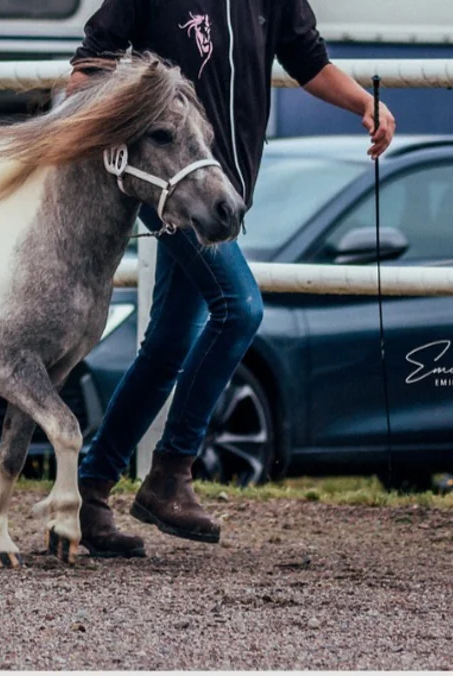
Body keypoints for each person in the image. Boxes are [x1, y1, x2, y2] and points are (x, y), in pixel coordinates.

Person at [69, 0, 396, 557]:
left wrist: (364, 103)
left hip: (225, 195)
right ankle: (171, 471)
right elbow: (88, 67)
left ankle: (90, 492)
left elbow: (308, 60)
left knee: (168, 344)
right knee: (239, 307)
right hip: (172, 191)